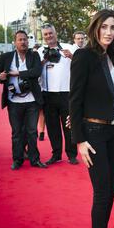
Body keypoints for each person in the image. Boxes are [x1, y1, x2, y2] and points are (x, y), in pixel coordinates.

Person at [69, 9, 114, 228]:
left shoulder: (111, 57)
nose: (109, 32)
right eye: (104, 27)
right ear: (95, 28)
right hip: (94, 133)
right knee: (102, 192)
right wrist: (79, 140)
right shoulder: (84, 55)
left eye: (113, 27)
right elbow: (75, 99)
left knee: (110, 191)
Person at [0, 30, 47, 170]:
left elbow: (36, 72)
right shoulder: (6, 57)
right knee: (16, 132)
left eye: (25, 39)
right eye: (20, 39)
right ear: (15, 42)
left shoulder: (34, 55)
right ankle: (17, 160)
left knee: (32, 132)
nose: (23, 42)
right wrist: (1, 76)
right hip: (14, 101)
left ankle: (35, 159)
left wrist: (18, 73)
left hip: (31, 101)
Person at [37, 24, 79, 165]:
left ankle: (72, 154)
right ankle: (56, 154)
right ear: (43, 36)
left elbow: (81, 65)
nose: (49, 36)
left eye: (51, 33)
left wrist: (72, 56)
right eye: (46, 34)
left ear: (56, 33)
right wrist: (43, 61)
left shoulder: (69, 47)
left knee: (68, 125)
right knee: (52, 126)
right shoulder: (40, 51)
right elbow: (35, 71)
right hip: (48, 94)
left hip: (66, 93)